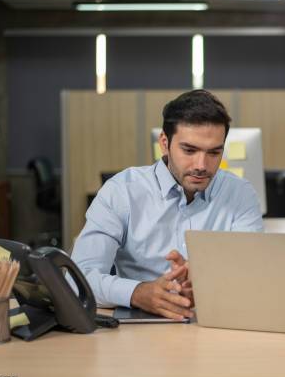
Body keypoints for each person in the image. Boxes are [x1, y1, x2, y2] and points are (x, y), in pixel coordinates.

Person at [71, 90, 263, 320]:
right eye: (189, 150)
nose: (202, 165)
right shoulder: (122, 191)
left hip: (215, 325)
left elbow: (252, 274)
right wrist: (137, 292)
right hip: (138, 331)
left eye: (214, 152)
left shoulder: (240, 194)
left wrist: (207, 280)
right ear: (164, 143)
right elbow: (78, 279)